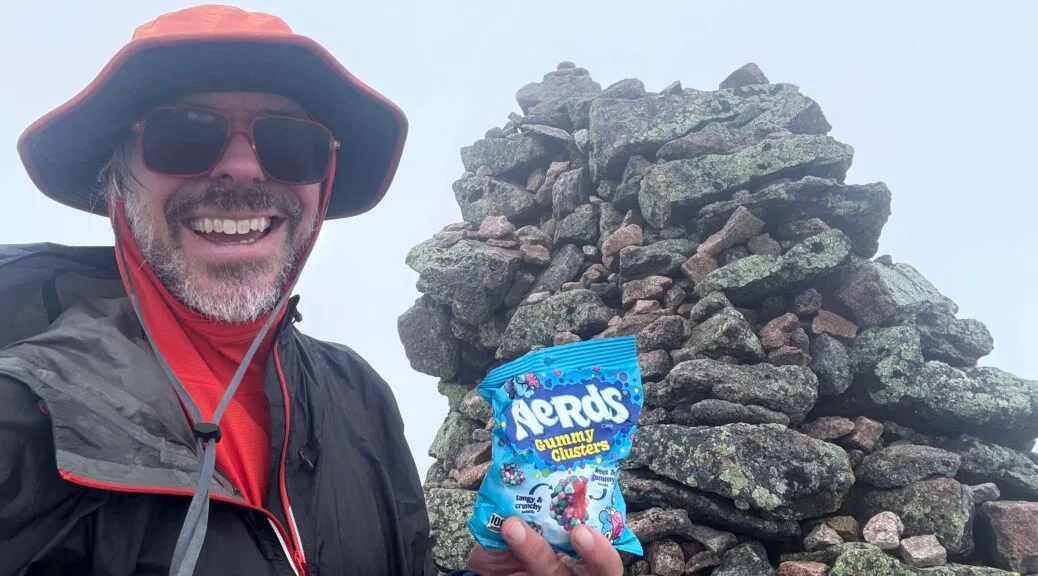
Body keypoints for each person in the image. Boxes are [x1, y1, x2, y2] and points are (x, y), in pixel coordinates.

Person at [0, 5, 623, 576]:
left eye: (291, 144)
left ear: (322, 187)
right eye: (183, 133)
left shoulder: (358, 396)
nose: (243, 167)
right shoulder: (19, 414)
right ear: (117, 181)